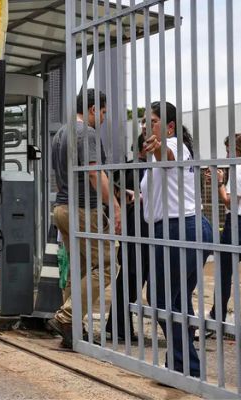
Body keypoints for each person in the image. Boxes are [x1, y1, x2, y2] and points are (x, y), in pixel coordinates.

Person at [141, 101, 213, 377]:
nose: (147, 126)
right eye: (145, 121)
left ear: (170, 127)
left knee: (160, 299)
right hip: (185, 227)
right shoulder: (157, 157)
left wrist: (158, 145)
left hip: (178, 229)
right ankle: (179, 365)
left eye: (154, 121)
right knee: (178, 300)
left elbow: (168, 155)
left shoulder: (174, 145)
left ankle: (188, 366)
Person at [47, 89, 121, 349]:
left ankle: (72, 329)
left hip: (62, 208)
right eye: (102, 112)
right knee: (108, 265)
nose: (102, 118)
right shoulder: (86, 133)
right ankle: (66, 316)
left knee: (78, 269)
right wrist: (113, 203)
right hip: (82, 210)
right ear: (92, 109)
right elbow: (92, 172)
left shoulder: (60, 134)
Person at [105, 118, 149, 342]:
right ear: (144, 147)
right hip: (141, 234)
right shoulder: (142, 171)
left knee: (128, 283)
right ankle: (119, 327)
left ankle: (117, 326)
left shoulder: (127, 170)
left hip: (130, 233)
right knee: (133, 283)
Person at [206, 133, 241, 326]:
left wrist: (219, 184)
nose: (226, 154)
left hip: (236, 224)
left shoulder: (238, 170)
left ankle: (218, 315)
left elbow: (230, 202)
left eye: (228, 149)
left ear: (237, 149)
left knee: (224, 272)